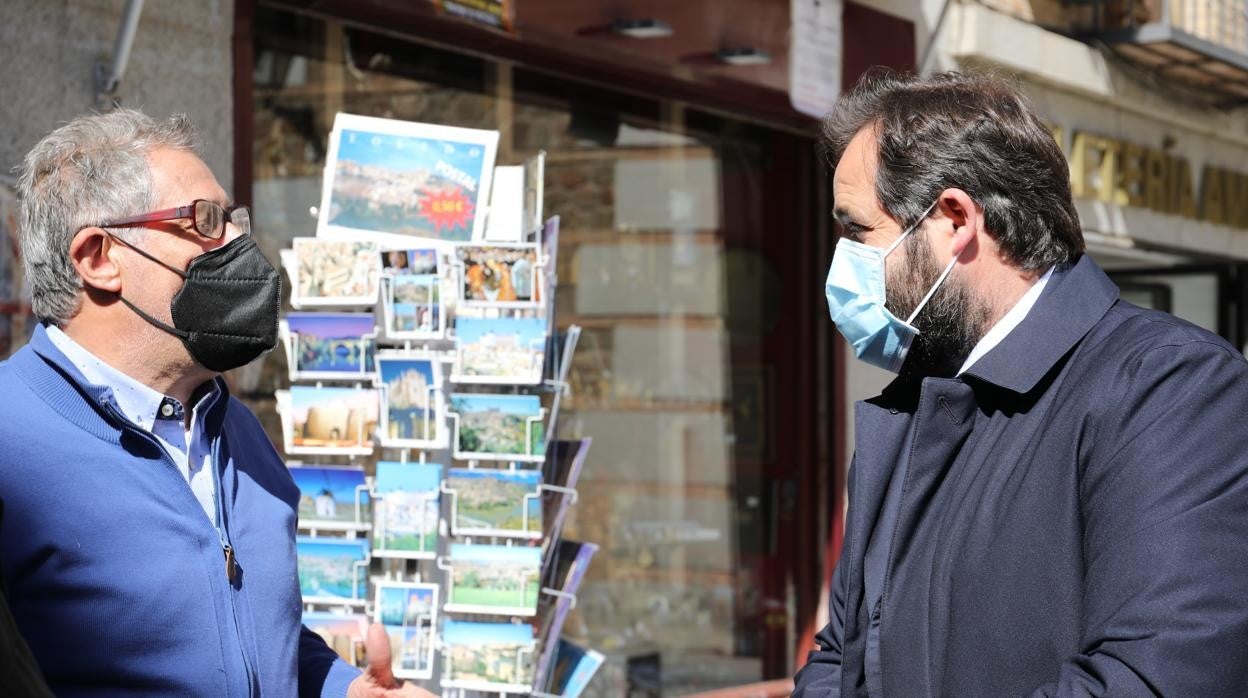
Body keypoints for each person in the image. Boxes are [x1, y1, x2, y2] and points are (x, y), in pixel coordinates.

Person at [795, 71, 1248, 696]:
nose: (841, 263)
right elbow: (841, 655)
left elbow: (1158, 674)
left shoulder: (1166, 385)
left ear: (955, 220)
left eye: (856, 231)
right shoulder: (913, 401)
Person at [2, 109, 433, 697]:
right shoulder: (10, 440)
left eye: (234, 219)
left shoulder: (236, 428)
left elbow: (258, 638)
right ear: (99, 258)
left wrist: (342, 689)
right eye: (206, 221)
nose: (238, 243)